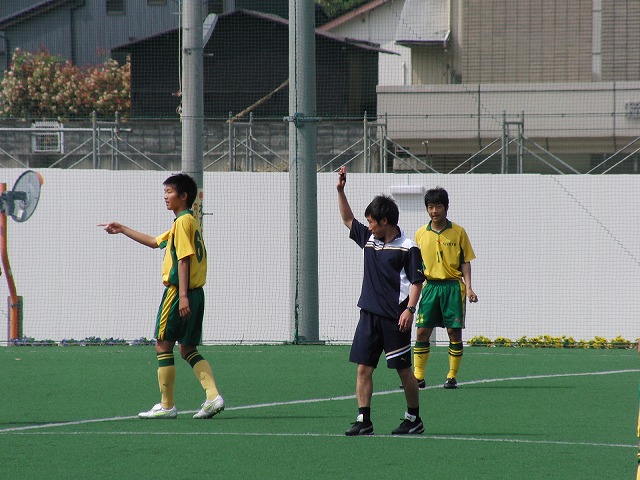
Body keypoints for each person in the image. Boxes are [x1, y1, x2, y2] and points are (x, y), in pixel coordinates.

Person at [99, 173, 224, 420]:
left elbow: (184, 259)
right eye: (164, 192)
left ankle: (167, 406)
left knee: (163, 345)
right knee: (187, 348)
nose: (165, 196)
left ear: (183, 196)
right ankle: (212, 396)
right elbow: (155, 242)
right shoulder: (188, 222)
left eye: (169, 192)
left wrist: (183, 295)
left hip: (179, 292)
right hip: (197, 293)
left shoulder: (182, 223)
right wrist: (122, 229)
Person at [337, 166, 426, 436]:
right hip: (368, 316)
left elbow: (417, 282)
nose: (369, 226)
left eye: (372, 222)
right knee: (363, 368)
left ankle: (414, 419)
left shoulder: (408, 247)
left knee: (403, 370)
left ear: (384, 220)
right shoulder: (369, 240)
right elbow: (348, 219)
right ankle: (364, 420)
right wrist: (341, 190)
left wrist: (410, 310)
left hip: (395, 319)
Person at [412, 187, 477, 390]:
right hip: (430, 287)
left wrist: (469, 288)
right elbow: (416, 265)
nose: (434, 211)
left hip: (453, 288)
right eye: (430, 207)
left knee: (453, 332)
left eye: (438, 206)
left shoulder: (458, 232)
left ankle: (451, 376)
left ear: (446, 207)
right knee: (422, 331)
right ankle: (418, 377)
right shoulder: (420, 234)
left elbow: (465, 261)